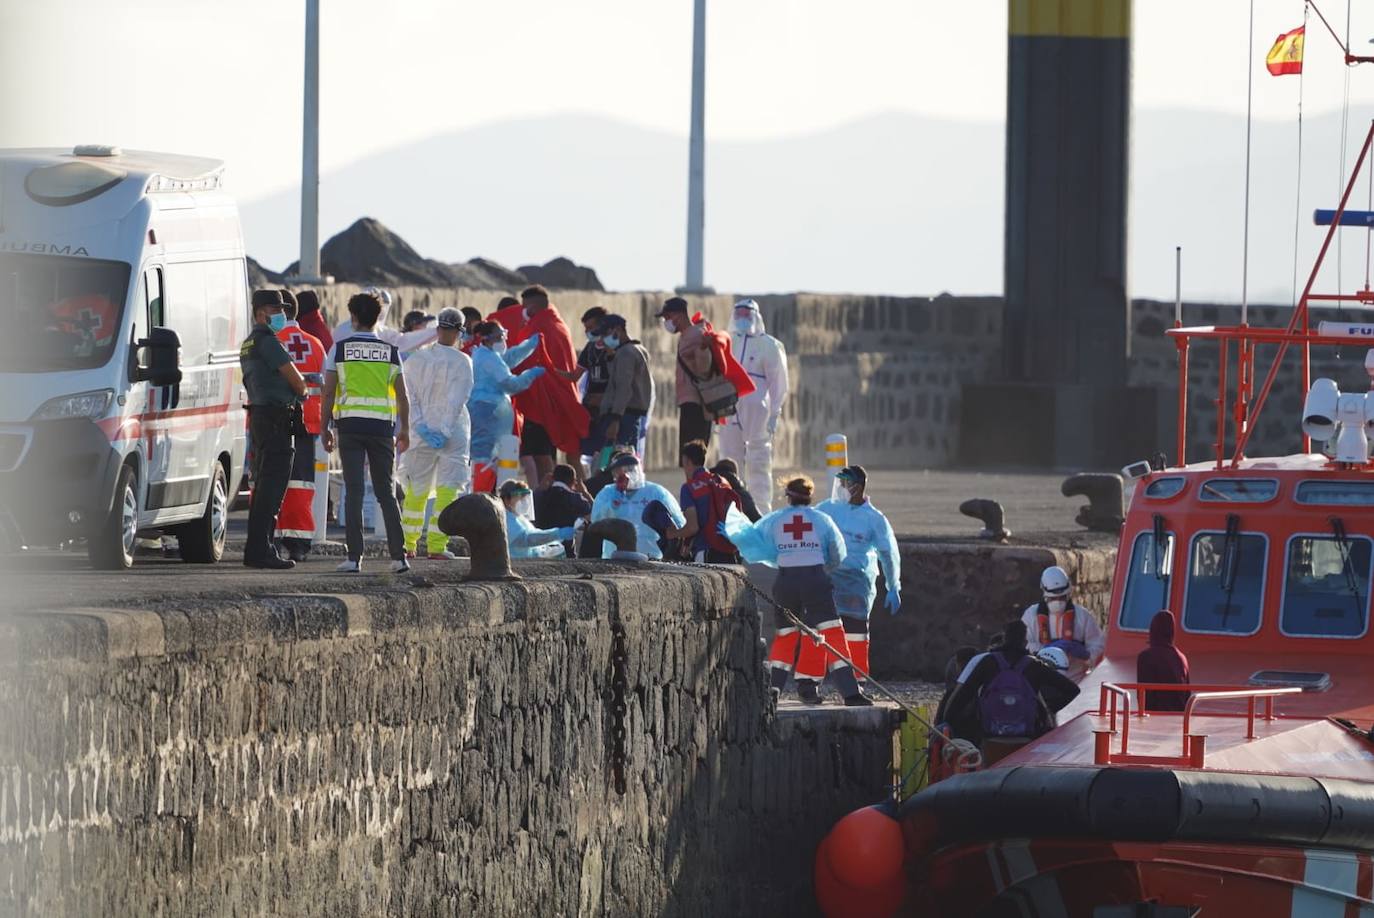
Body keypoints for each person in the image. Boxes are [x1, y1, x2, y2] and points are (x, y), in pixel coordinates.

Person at [723, 476, 869, 706]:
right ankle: (851, 693)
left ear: (788, 497)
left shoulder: (775, 520)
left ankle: (770, 692)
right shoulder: (822, 520)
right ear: (810, 497)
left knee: (786, 636)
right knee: (833, 634)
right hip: (816, 581)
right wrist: (823, 567)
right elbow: (838, 553)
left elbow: (757, 543)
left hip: (786, 582)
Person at [321, 291, 412, 574]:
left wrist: (324, 426)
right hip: (382, 429)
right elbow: (403, 396)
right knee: (386, 492)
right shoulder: (390, 352)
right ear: (377, 318)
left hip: (350, 427)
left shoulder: (339, 349)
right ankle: (399, 558)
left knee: (355, 492)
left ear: (354, 318)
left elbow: (328, 392)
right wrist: (405, 429)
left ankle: (354, 558)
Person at [239, 289, 307, 569]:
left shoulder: (249, 343)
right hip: (276, 418)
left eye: (281, 309)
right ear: (259, 313)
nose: (279, 314)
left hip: (260, 417)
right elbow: (298, 382)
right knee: (272, 487)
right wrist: (300, 390)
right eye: (273, 309)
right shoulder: (268, 342)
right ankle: (261, 550)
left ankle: (257, 549)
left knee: (263, 486)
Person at [816, 465, 901, 687]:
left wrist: (893, 586)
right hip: (826, 579)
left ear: (858, 488)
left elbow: (888, 553)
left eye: (845, 484)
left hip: (856, 582)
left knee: (855, 631)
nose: (841, 488)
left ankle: (856, 682)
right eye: (840, 483)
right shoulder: (827, 509)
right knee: (820, 630)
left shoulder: (874, 519)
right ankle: (813, 682)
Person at [399, 308, 473, 560]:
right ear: (459, 331)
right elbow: (457, 401)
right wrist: (443, 430)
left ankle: (407, 545)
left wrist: (420, 425)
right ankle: (437, 547)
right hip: (453, 435)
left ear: (437, 328)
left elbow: (409, 397)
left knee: (416, 489)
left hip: (421, 434)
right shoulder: (463, 361)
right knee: (447, 491)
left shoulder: (416, 359)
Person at [943, 620, 1080, 743]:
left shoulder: (988, 661)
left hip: (989, 732)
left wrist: (949, 721)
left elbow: (963, 695)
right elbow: (1072, 690)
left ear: (1004, 639)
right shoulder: (1034, 665)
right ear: (1025, 641)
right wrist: (1049, 709)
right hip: (1028, 733)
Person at [509, 286, 589, 485]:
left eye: (525, 306)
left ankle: (549, 497)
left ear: (534, 306)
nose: (523, 311)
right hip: (559, 397)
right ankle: (577, 494)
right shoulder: (558, 324)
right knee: (560, 455)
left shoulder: (539, 327)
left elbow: (524, 359)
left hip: (541, 400)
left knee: (540, 455)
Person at [717, 298, 789, 513]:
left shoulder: (769, 345)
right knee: (729, 460)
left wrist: (776, 411)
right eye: (738, 314)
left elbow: (779, 383)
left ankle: (761, 511)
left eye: (746, 314)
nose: (742, 318)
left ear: (756, 316)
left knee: (758, 462)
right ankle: (731, 509)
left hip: (759, 413)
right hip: (730, 411)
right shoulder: (726, 342)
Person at [272, 290, 327, 562]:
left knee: (270, 480)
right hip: (308, 425)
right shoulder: (316, 344)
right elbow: (327, 389)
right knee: (302, 483)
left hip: (274, 422)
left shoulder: (269, 342)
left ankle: (271, 538)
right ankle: (300, 542)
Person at [468, 321, 544, 493]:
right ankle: (482, 496)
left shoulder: (484, 354)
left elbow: (507, 359)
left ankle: (483, 493)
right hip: (489, 413)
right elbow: (510, 384)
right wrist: (530, 375)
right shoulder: (488, 358)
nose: (503, 340)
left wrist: (528, 346)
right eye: (500, 337)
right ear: (488, 339)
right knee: (486, 460)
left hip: (486, 411)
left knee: (487, 459)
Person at [589, 453, 687, 560]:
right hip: (615, 558)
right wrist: (614, 503)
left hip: (653, 559)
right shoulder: (607, 492)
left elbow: (679, 523)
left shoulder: (656, 492)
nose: (617, 476)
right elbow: (595, 522)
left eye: (620, 470)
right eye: (615, 472)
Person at [1022, 565, 1106, 669]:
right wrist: (1045, 649)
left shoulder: (1083, 616)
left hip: (1075, 679)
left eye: (1062, 598)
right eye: (1053, 598)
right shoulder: (1031, 615)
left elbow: (1099, 644)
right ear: (1045, 594)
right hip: (1042, 677)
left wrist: (1087, 654)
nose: (1058, 602)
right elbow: (1024, 644)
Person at [676, 440, 741, 563]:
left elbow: (692, 527)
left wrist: (673, 533)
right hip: (729, 552)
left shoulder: (689, 488)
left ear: (688, 462)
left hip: (705, 551)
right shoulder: (721, 481)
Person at [597, 313, 653, 456]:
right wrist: (611, 358)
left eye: (605, 333)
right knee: (625, 457)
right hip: (630, 415)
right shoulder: (637, 349)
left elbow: (623, 388)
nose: (603, 338)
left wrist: (615, 419)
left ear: (617, 329)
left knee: (613, 458)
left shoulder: (625, 353)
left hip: (622, 416)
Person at [332, 286, 437, 353]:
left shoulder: (339, 331)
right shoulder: (380, 333)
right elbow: (404, 341)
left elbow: (329, 370)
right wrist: (437, 331)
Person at [499, 479, 575, 559]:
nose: (525, 501)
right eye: (520, 497)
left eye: (525, 497)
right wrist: (557, 533)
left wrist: (554, 540)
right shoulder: (506, 519)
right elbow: (527, 539)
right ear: (507, 500)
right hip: (515, 566)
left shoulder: (519, 518)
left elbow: (535, 533)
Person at [535, 464, 594, 557]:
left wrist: (539, 487)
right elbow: (595, 513)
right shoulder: (575, 498)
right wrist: (584, 492)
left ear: (552, 478)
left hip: (540, 549)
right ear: (573, 481)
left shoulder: (538, 496)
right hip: (565, 552)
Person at [1136, 610, 1190, 712]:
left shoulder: (1145, 657)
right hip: (1178, 720)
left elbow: (1144, 697)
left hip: (1155, 719)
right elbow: (1187, 695)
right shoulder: (1182, 658)